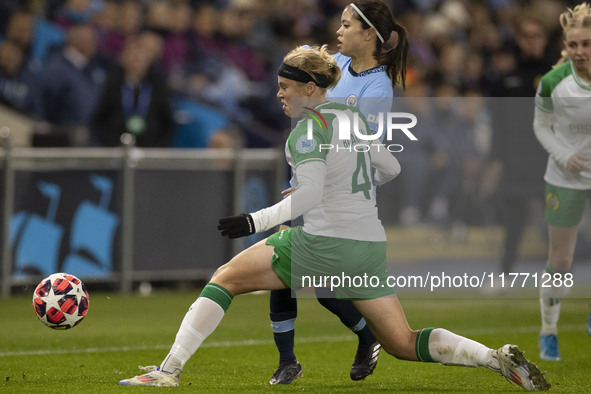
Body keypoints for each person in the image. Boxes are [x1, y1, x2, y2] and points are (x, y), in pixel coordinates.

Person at [119, 45, 549, 392]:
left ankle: (167, 371)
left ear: (309, 88)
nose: (280, 95)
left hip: (326, 242)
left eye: (285, 87)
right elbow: (391, 169)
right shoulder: (352, 117)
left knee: (224, 278)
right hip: (368, 246)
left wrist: (254, 222)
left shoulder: (306, 130)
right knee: (401, 342)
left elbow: (305, 196)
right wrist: (340, 186)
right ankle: (494, 358)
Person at [267, 0, 408, 384]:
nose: (339, 32)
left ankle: (367, 336)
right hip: (311, 177)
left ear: (369, 36)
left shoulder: (377, 89)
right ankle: (288, 360)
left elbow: (365, 150)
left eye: (347, 26)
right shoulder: (337, 65)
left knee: (325, 288)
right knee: (287, 273)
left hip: (344, 197)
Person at [533, 2, 591, 361]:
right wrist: (564, 156)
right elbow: (540, 126)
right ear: (565, 46)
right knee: (561, 259)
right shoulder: (554, 83)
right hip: (564, 178)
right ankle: (549, 330)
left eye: (587, 44)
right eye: (574, 45)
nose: (580, 51)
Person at [483, 14, 553, 278]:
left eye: (537, 36)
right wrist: (495, 160)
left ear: (544, 40)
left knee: (559, 222)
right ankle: (505, 275)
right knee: (514, 222)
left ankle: (558, 277)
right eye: (526, 36)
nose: (531, 42)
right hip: (515, 159)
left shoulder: (558, 76)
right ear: (519, 40)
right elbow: (497, 125)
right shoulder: (505, 80)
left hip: (551, 157)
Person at [92, 33, 175, 147]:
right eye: (132, 56)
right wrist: (110, 144)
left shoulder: (158, 84)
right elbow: (100, 119)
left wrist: (158, 147)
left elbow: (167, 122)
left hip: (150, 149)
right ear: (123, 58)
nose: (136, 61)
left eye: (140, 58)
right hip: (116, 148)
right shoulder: (113, 83)